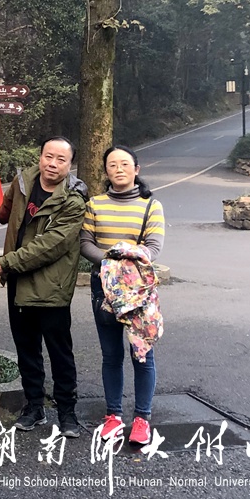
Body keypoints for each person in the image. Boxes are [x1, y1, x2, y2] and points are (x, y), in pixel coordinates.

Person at [0, 136, 87, 438]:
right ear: (40, 157)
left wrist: (6, 263)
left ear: (70, 165)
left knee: (59, 352)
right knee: (26, 348)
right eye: (48, 156)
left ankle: (67, 411)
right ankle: (34, 406)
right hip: (18, 283)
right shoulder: (22, 183)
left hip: (51, 286)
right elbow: (3, 212)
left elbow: (50, 246)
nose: (52, 164)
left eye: (60, 160)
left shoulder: (73, 201)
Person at [80, 145, 165, 445]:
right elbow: (85, 242)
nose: (119, 169)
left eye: (125, 164)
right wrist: (111, 263)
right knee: (111, 355)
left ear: (136, 169)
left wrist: (122, 264)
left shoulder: (150, 205)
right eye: (112, 164)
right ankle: (113, 416)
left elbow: (153, 246)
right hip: (103, 288)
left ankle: (142, 418)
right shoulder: (94, 204)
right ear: (106, 170)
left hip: (139, 290)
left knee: (142, 354)